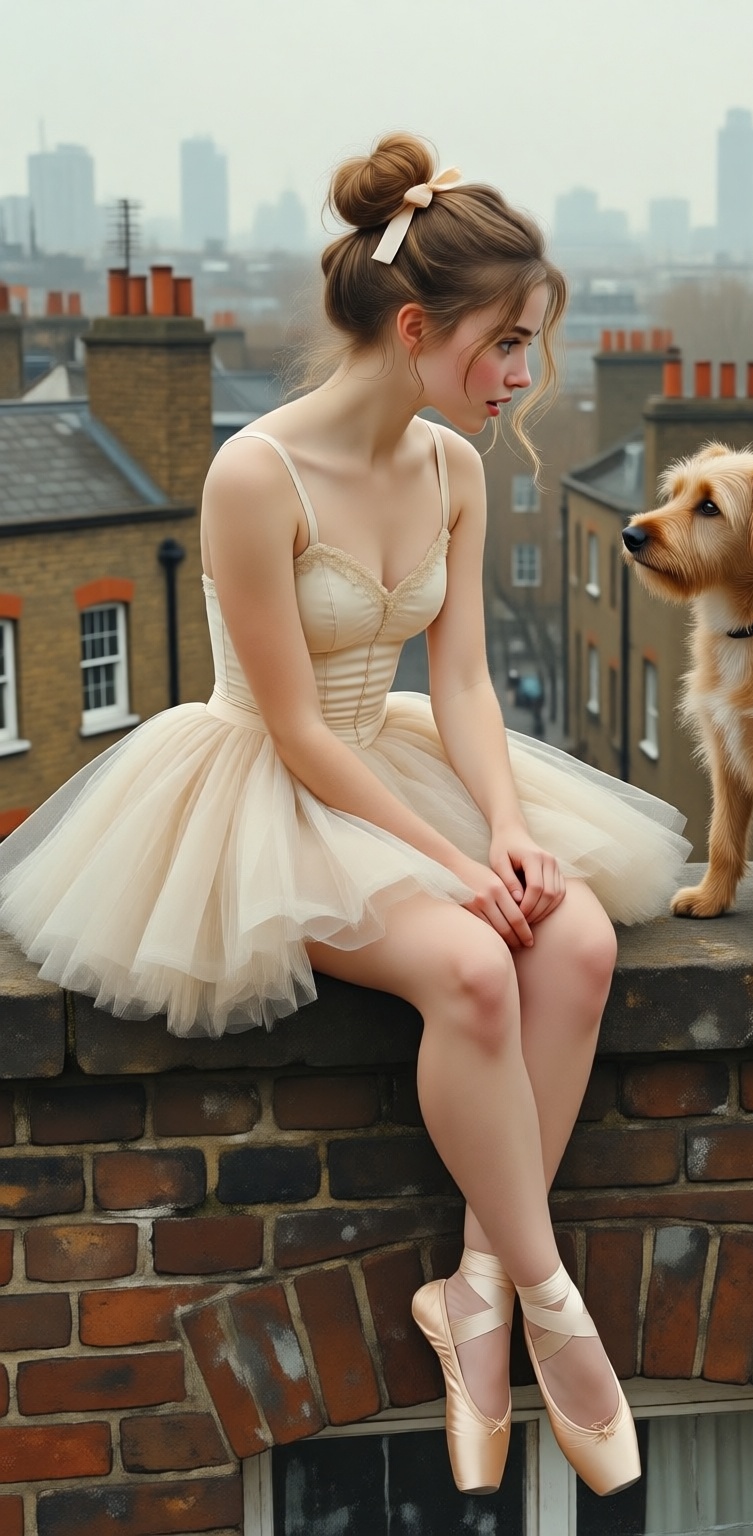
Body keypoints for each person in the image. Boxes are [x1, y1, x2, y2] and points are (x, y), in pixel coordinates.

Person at [0, 133, 690, 1499]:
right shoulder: (256, 474)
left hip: (411, 763)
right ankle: (554, 1311)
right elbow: (301, 729)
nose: (521, 379)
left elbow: (471, 682)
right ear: (419, 327)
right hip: (269, 786)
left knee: (584, 947)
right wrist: (449, 870)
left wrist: (503, 826)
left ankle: (474, 1291)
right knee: (473, 969)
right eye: (504, 346)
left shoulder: (454, 472)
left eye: (534, 348)